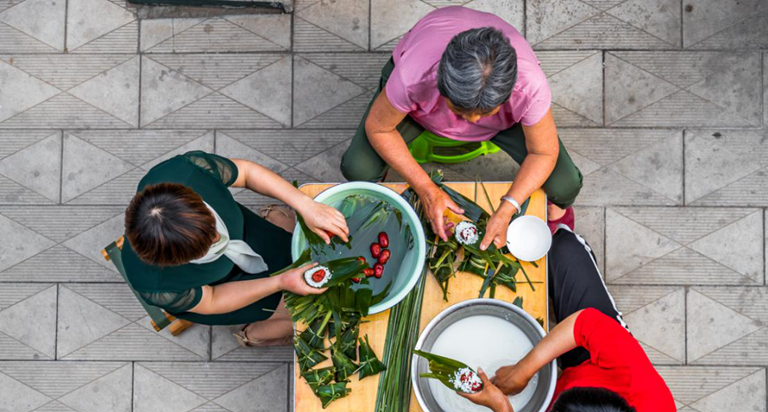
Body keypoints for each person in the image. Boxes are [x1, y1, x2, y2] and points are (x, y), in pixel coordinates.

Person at [414, 228, 676, 412]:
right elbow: (586, 323)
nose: (551, 407)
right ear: (605, 395)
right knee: (563, 245)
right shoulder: (646, 389)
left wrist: (503, 410)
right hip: (584, 359)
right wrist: (523, 371)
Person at [341, 6, 582, 243]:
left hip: (500, 123)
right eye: (460, 110)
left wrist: (509, 207)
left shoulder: (530, 87)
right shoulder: (413, 74)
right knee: (358, 168)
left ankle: (556, 212)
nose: (473, 121)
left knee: (565, 183)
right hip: (422, 112)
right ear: (441, 85)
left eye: (485, 112)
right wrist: (426, 189)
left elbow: (543, 153)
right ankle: (380, 185)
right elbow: (379, 128)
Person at [122, 151, 349, 346]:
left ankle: (272, 220)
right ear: (174, 262)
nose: (218, 237)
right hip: (222, 288)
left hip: (248, 233)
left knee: (282, 246)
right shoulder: (158, 286)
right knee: (301, 312)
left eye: (211, 224)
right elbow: (212, 299)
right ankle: (252, 335)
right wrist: (279, 282)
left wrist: (304, 205)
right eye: (205, 247)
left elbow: (247, 173)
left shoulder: (186, 170)